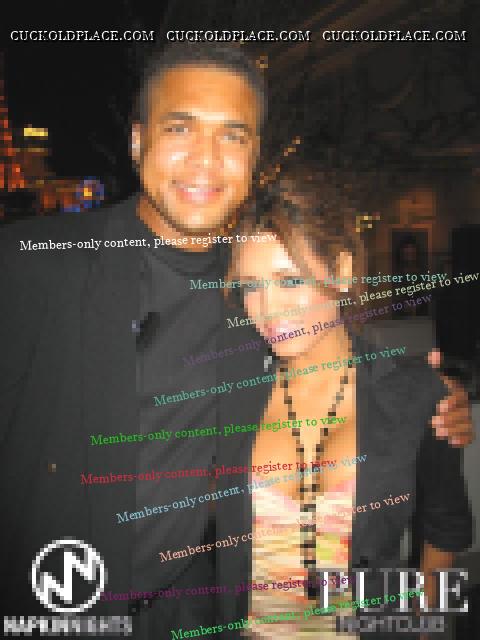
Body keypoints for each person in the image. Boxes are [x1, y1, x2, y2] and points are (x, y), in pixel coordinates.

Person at [0, 44, 472, 637]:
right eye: (180, 128)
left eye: (233, 135)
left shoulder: (247, 283)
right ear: (138, 142)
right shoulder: (31, 267)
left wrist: (429, 392)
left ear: (254, 156)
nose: (206, 159)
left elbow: (324, 329)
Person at [222, 169, 473, 638]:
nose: (267, 309)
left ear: (341, 269)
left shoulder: (413, 393)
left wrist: (425, 625)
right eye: (251, 286)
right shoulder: (229, 394)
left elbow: (446, 526)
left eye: (289, 281)